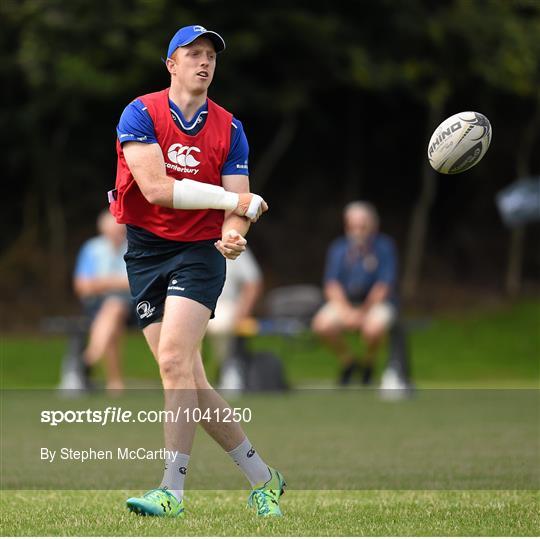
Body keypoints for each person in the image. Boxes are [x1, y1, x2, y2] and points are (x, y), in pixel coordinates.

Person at [110, 25, 285, 517]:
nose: (203, 62)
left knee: (172, 362)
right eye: (193, 54)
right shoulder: (140, 113)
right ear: (172, 64)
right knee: (189, 378)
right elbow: (157, 189)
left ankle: (172, 490)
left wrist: (234, 232)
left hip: (197, 253)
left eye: (210, 55)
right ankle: (264, 479)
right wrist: (239, 204)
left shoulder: (229, 127)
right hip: (145, 253)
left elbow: (238, 200)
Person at [312, 201, 398, 386]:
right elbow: (331, 284)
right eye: (353, 226)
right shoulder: (338, 248)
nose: (358, 230)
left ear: (373, 225)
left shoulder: (384, 247)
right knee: (321, 325)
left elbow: (384, 285)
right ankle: (349, 362)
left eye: (362, 225)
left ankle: (369, 363)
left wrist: (363, 312)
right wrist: (346, 312)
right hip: (346, 303)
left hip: (375, 303)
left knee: (373, 329)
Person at [73, 210, 132, 392]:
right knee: (112, 318)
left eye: (120, 230)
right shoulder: (92, 248)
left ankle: (90, 356)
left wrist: (102, 282)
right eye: (113, 230)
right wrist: (114, 282)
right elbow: (81, 286)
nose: (117, 234)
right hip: (97, 306)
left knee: (114, 307)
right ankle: (115, 383)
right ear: (103, 230)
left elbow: (136, 283)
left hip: (132, 307)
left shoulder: (134, 247)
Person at [206, 247, 263, 391]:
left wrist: (242, 312)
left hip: (225, 304)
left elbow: (253, 282)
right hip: (192, 301)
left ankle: (228, 368)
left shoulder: (232, 244)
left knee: (219, 324)